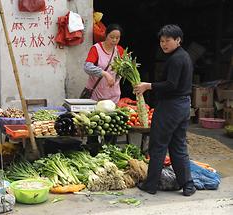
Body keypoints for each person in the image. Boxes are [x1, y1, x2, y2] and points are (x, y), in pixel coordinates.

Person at [133, 24, 196, 196]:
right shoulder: (184, 56)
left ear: (178, 40)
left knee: (158, 145)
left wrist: (148, 86)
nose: (164, 44)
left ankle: (151, 185)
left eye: (168, 40)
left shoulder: (176, 59)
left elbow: (171, 85)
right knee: (178, 146)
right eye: (161, 41)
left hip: (171, 106)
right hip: (183, 106)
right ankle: (188, 185)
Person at [84, 23, 125, 103]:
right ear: (106, 35)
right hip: (96, 95)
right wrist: (105, 74)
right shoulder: (96, 49)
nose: (114, 40)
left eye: (117, 38)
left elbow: (122, 71)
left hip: (114, 95)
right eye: (111, 37)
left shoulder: (120, 50)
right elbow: (87, 67)